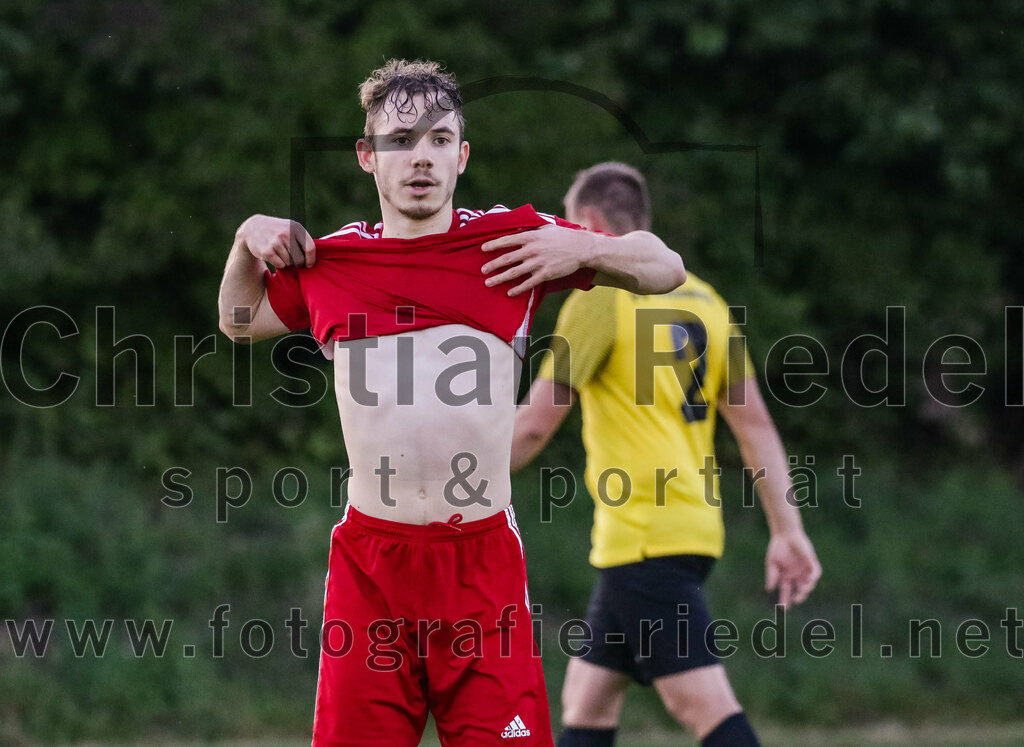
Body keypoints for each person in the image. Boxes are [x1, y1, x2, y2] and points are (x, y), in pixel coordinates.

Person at [216, 62, 685, 746]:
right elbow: (236, 319)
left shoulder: (515, 242)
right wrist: (245, 238)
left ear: (462, 156)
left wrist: (578, 243)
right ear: (367, 158)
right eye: (401, 140)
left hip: (481, 563)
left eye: (440, 139)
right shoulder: (331, 263)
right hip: (371, 567)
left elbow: (663, 266)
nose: (421, 158)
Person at [510, 163, 821, 747]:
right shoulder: (706, 299)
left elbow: (532, 426)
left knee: (702, 707)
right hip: (691, 529)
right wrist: (787, 529)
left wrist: (451, 477)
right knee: (587, 697)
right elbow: (754, 426)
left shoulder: (602, 296)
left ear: (591, 224)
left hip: (644, 533)